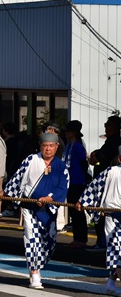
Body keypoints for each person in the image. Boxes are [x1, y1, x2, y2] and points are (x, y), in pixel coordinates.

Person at [0, 132, 69, 289]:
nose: (48, 149)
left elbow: (63, 187)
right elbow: (17, 178)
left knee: (49, 243)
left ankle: (38, 266)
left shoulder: (61, 166)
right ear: (40, 146)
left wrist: (50, 198)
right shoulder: (31, 160)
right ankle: (34, 273)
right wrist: (4, 194)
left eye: (51, 146)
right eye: (45, 146)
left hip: (49, 211)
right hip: (30, 209)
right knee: (31, 240)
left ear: (57, 147)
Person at [77, 145, 121, 294]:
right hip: (113, 216)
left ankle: (111, 281)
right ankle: (112, 282)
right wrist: (82, 202)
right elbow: (93, 187)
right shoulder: (111, 172)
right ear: (120, 159)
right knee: (117, 251)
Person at [89, 115, 121, 250]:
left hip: (107, 182)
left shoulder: (113, 142)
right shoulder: (111, 142)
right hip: (108, 181)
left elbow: (96, 157)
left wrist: (95, 154)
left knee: (102, 211)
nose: (105, 127)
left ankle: (102, 242)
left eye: (108, 124)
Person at [64, 120, 90, 248]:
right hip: (70, 181)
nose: (66, 133)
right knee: (73, 211)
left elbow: (84, 164)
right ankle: (77, 237)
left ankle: (82, 238)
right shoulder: (69, 145)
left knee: (78, 210)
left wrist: (85, 178)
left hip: (78, 181)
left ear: (73, 133)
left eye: (68, 131)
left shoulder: (78, 146)